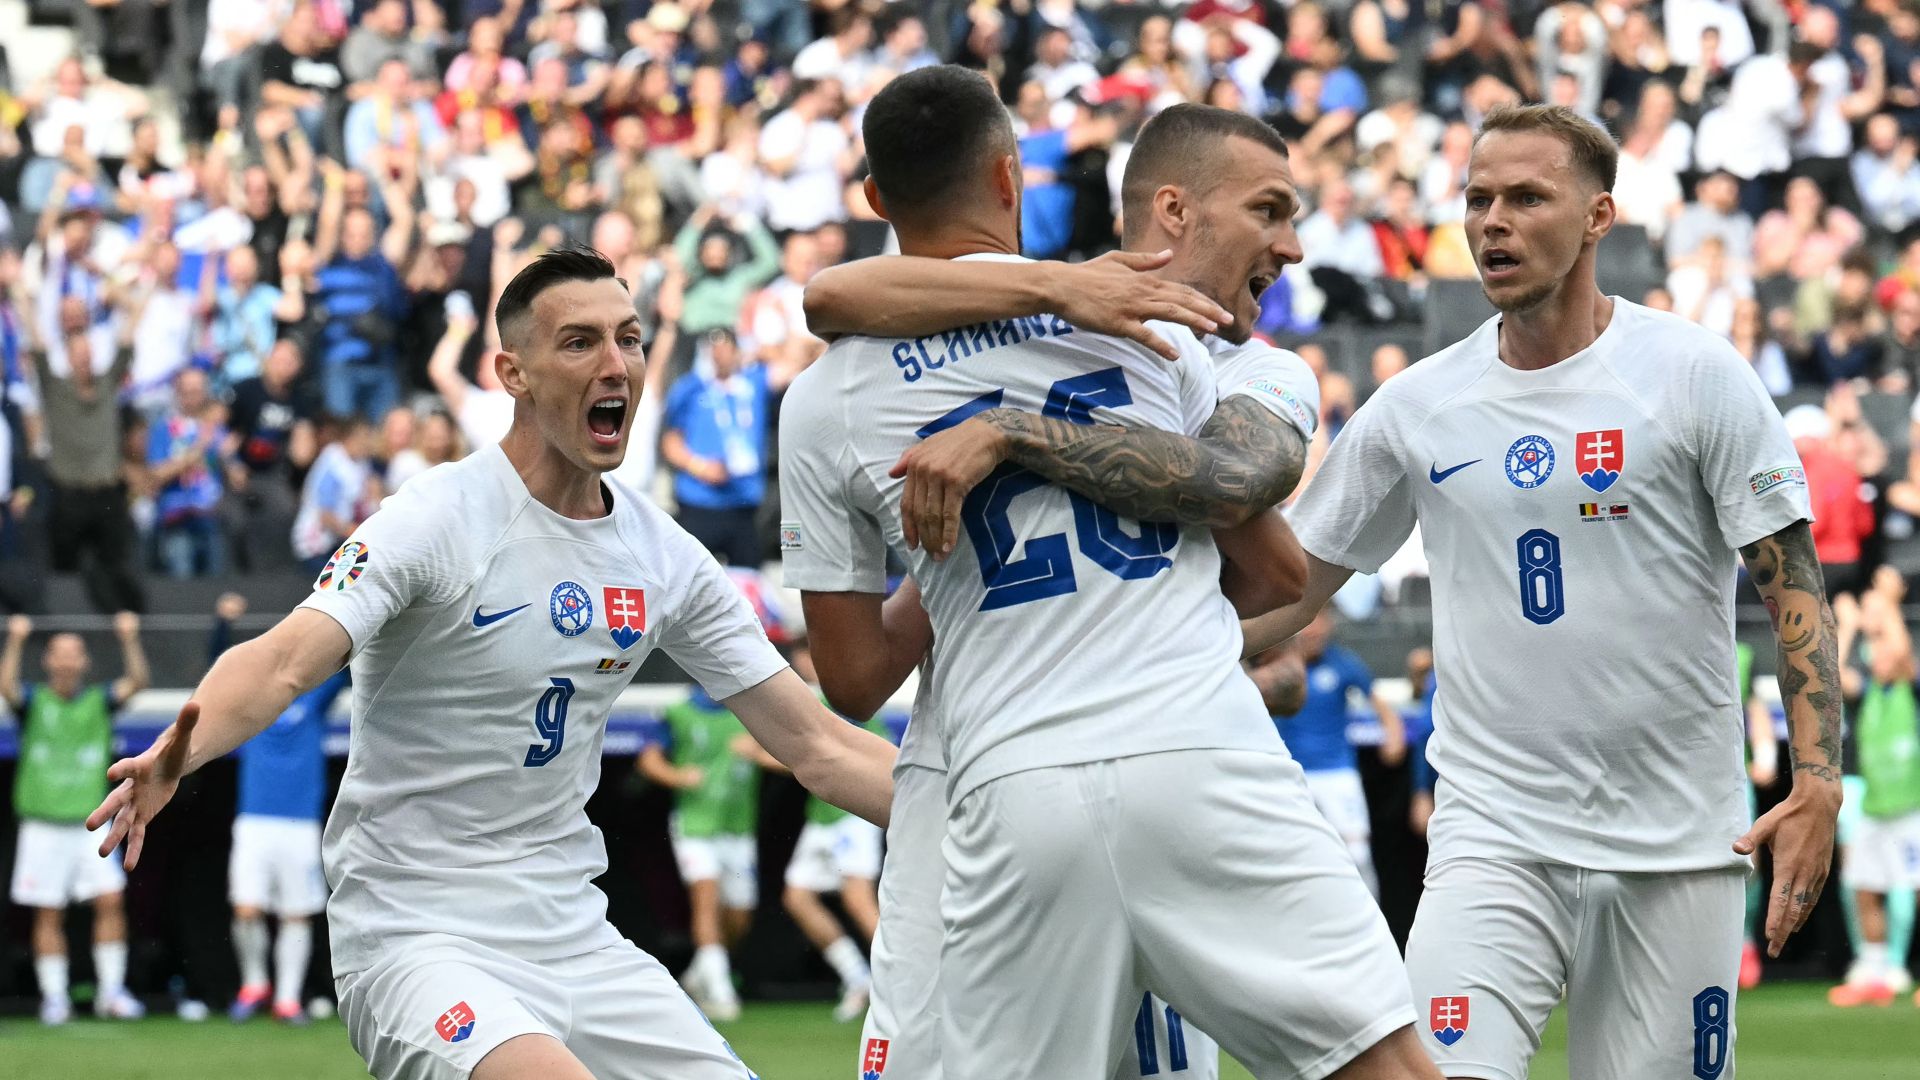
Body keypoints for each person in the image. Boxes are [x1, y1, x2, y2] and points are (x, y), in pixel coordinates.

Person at [89, 246, 896, 1080]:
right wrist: (181, 753)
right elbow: (288, 659)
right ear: (513, 372)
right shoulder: (437, 518)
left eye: (630, 338)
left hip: (577, 938)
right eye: (580, 343)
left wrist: (975, 823)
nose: (616, 363)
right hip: (416, 937)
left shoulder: (666, 558)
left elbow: (819, 745)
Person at [781, 70, 1432, 1080]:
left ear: (874, 202)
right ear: (1011, 175)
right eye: (1269, 211)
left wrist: (959, 556)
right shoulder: (1145, 331)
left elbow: (856, 681)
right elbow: (1273, 575)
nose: (1287, 244)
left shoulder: (822, 401)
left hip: (1012, 781)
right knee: (1378, 1065)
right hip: (1195, 738)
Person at [1244, 103, 1844, 1079]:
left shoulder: (1694, 374)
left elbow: (1797, 594)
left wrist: (1817, 780)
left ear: (1600, 217)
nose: (1493, 220)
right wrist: (1147, 655)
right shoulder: (1416, 408)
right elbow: (1289, 589)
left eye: (1527, 197)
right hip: (1495, 836)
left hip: (1681, 842)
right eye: (1478, 198)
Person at [3, 612, 150, 1024]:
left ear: (84, 662)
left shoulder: (98, 701)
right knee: (48, 911)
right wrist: (15, 641)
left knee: (110, 901)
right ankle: (54, 998)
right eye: (60, 654)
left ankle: (111, 993)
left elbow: (137, 681)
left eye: (75, 654)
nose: (67, 661)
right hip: (42, 824)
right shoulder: (33, 702)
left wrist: (129, 638)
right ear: (48, 660)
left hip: (89, 823)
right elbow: (6, 687)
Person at [209, 593, 346, 1025]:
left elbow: (347, 665)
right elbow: (218, 672)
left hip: (300, 823)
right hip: (255, 820)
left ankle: (287, 999)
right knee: (247, 909)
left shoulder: (314, 700)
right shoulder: (253, 703)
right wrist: (222, 625)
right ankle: (254, 984)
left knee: (296, 913)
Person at [638, 673, 766, 1023]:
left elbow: (791, 755)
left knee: (739, 915)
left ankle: (699, 973)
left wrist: (758, 753)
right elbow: (648, 759)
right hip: (695, 825)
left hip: (737, 828)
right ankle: (721, 992)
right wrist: (678, 776)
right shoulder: (678, 711)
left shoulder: (751, 709)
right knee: (705, 897)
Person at [1827, 582, 1920, 1006]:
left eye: (1886, 653)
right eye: (1876, 652)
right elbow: (1834, 671)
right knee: (1863, 885)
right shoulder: (1865, 696)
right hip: (1873, 808)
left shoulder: (1910, 690)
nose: (1881, 657)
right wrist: (1847, 626)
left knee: (1911, 887)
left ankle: (1897, 966)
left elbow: (1900, 651)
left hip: (1910, 809)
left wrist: (1888, 604)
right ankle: (1873, 967)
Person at [1272, 610, 1407, 896]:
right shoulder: (1275, 663)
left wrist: (1394, 735)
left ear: (1329, 625)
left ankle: (1373, 928)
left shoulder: (1342, 663)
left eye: (1320, 622)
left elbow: (1381, 704)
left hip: (1337, 773)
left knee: (1357, 855)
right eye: (1308, 622)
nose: (1313, 631)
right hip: (1290, 775)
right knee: (1288, 858)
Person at [661, 328, 777, 566]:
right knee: (687, 577)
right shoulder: (692, 388)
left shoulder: (753, 383)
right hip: (699, 502)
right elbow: (670, 442)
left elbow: (799, 360)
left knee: (747, 582)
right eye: (713, 349)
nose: (719, 356)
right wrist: (700, 467)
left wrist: (763, 350)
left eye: (725, 349)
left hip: (743, 502)